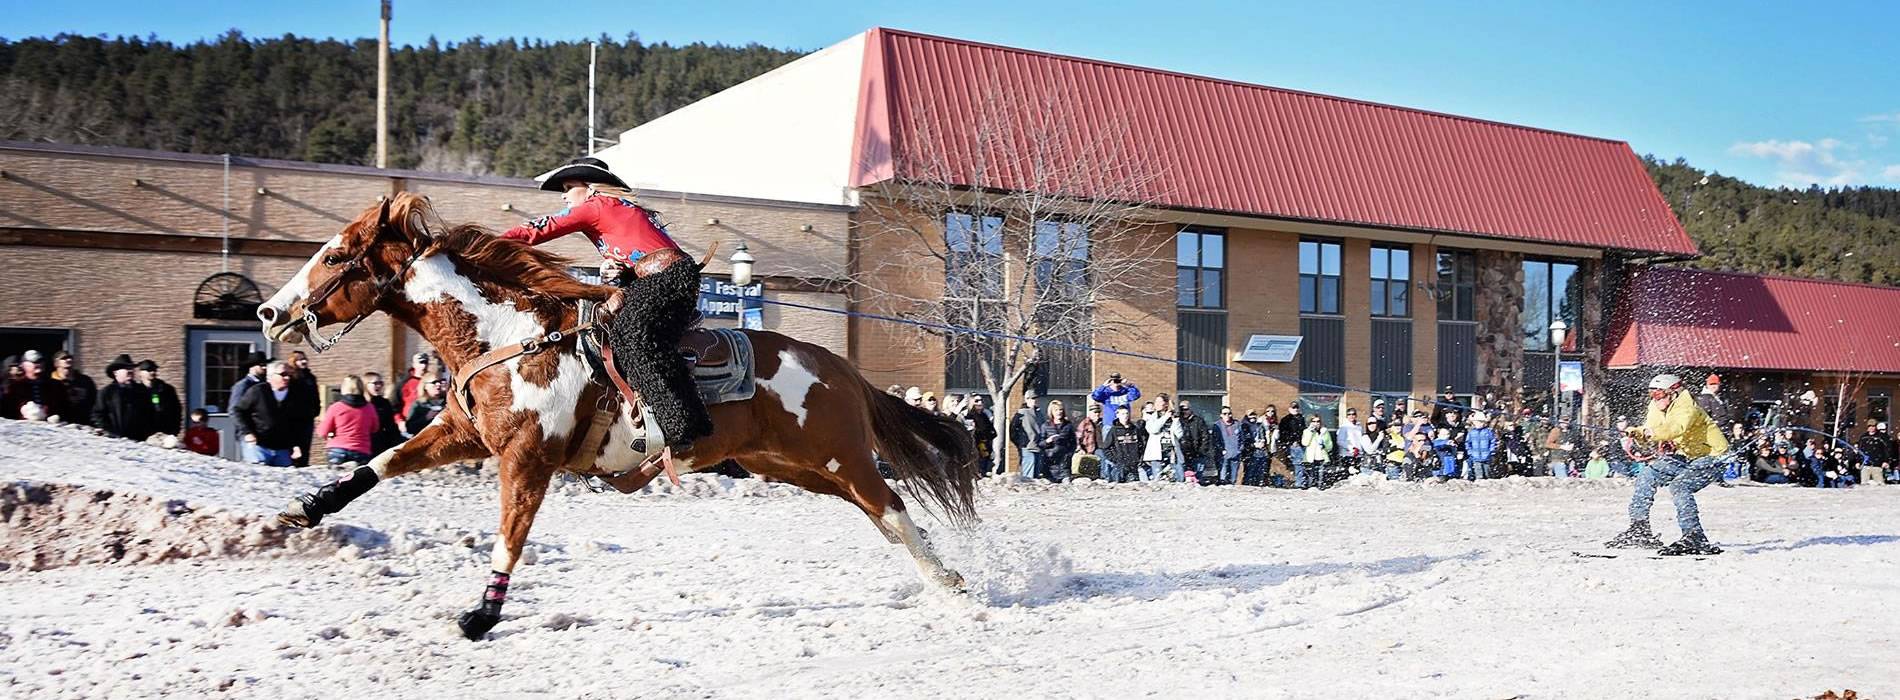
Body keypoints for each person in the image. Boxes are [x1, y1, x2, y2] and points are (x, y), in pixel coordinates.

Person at [501, 156, 712, 453]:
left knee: (632, 334)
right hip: (665, 277)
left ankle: (676, 423)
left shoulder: (596, 206)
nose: (563, 196)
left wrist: (493, 245)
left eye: (568, 187)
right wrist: (621, 271)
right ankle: (690, 418)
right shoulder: (612, 209)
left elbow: (537, 230)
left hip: (668, 277)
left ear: (588, 188)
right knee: (624, 333)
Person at [1605, 374, 1731, 555]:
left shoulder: (1687, 406)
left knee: (1680, 486)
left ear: (1673, 392)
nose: (1655, 399)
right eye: (1652, 395)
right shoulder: (1656, 407)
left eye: (1659, 394)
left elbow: (1675, 428)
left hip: (1713, 456)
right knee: (1647, 474)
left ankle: (1694, 536)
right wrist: (1638, 434)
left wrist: (1648, 432)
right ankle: (1639, 528)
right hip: (1686, 456)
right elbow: (1652, 432)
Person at [233, 361, 305, 467]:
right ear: (271, 376)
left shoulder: (294, 395)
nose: (287, 378)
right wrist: (247, 432)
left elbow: (297, 423)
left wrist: (296, 445)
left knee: (283, 479)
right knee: (260, 476)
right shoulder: (257, 391)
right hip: (258, 445)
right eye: (283, 374)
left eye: (289, 375)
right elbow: (238, 411)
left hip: (282, 448)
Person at [93, 355, 157, 441]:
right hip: (115, 443)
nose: (130, 370)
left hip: (139, 443)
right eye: (126, 368)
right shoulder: (106, 392)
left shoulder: (142, 391)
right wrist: (109, 432)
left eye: (131, 368)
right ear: (115, 373)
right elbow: (97, 416)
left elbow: (150, 415)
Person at [2, 349, 74, 422]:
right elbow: (7, 412)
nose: (37, 364)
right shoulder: (14, 387)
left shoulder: (56, 385)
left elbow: (66, 409)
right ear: (23, 365)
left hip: (53, 428)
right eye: (33, 361)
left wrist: (53, 415)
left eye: (40, 361)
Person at [285, 351, 320, 467]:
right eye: (300, 359)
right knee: (293, 444)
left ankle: (303, 464)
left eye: (304, 359)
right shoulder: (291, 377)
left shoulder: (310, 377)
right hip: (293, 418)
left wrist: (316, 409)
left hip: (307, 417)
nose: (304, 361)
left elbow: (315, 395)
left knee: (305, 444)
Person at [135, 360, 183, 437]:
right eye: (149, 370)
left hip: (166, 432)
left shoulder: (167, 389)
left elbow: (176, 410)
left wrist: (175, 430)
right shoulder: (136, 391)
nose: (152, 372)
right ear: (140, 373)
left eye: (154, 370)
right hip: (144, 435)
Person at [1142, 397, 1184, 482]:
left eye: (1159, 401)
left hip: (1172, 454)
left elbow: (1179, 434)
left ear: (1166, 404)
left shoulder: (1173, 417)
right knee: (1159, 480)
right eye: (1156, 401)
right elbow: (1153, 430)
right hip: (1157, 454)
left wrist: (1175, 420)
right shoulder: (1151, 417)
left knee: (1178, 480)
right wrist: (1165, 417)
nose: (1156, 404)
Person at [50, 350, 96, 425]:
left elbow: (94, 403)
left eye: (70, 358)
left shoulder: (85, 381)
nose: (69, 360)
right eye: (64, 358)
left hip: (84, 425)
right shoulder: (50, 383)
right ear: (56, 363)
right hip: (60, 426)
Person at [362, 372, 403, 456]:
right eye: (375, 383)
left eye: (381, 383)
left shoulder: (383, 403)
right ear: (366, 385)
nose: (379, 386)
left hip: (379, 443)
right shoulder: (360, 403)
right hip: (362, 443)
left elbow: (390, 425)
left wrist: (397, 443)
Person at [1102, 407, 1145, 484]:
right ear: (1117, 415)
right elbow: (1106, 448)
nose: (1125, 416)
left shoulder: (1135, 429)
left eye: (1126, 413)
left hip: (1133, 465)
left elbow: (1141, 445)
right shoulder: (1114, 430)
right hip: (1120, 466)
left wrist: (1139, 458)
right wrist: (1115, 460)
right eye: (1122, 414)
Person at [1009, 394, 1047, 480]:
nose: (1035, 400)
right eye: (1032, 398)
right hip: (1027, 447)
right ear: (1027, 399)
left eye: (1036, 398)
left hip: (1039, 446)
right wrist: (1022, 443)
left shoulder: (1039, 413)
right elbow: (1013, 430)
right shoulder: (1021, 413)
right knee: (1028, 476)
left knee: (1036, 476)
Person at [1040, 400, 1077, 483]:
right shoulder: (1046, 425)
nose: (1059, 412)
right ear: (1051, 412)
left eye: (1060, 410)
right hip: (1050, 463)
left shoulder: (1068, 425)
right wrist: (1047, 441)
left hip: (1064, 463)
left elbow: (1073, 443)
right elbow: (1040, 443)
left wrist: (1069, 454)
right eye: (1056, 410)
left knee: (1066, 487)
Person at [961, 395, 998, 475]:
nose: (980, 402)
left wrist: (987, 438)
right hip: (973, 447)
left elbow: (993, 432)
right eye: (977, 401)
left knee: (985, 469)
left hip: (985, 446)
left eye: (981, 400)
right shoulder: (967, 416)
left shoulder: (985, 415)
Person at [1176, 398, 1210, 482]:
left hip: (1197, 453)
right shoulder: (1178, 421)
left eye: (1186, 409)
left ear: (1190, 409)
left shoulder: (1198, 421)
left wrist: (1202, 450)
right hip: (1183, 454)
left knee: (1197, 478)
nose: (1184, 411)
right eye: (1182, 410)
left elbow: (1205, 436)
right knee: (1182, 478)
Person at [1213, 406, 1245, 485]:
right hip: (1223, 455)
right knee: (1223, 477)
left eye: (1229, 413)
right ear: (1221, 415)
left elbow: (1242, 438)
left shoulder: (1237, 424)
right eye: (1225, 413)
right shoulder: (1217, 425)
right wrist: (1221, 450)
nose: (1227, 415)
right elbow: (1215, 440)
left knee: (1233, 478)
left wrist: (1240, 449)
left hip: (1235, 454)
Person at [1298, 416, 1332, 489]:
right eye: (1313, 421)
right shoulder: (1306, 431)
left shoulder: (1324, 432)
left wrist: (1324, 445)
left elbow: (1330, 446)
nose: (1316, 423)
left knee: (1321, 481)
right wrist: (1310, 432)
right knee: (1311, 479)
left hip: (1321, 457)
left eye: (1318, 421)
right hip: (1310, 458)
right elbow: (1305, 443)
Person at [396, 352, 433, 417]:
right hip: (410, 420)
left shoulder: (433, 381)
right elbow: (396, 405)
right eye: (421, 362)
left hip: (429, 419)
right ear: (414, 364)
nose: (424, 366)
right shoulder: (404, 382)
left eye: (426, 362)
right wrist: (400, 421)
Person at [1463, 412, 1497, 480]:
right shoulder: (1471, 432)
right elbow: (1468, 443)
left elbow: (1493, 441)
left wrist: (1491, 451)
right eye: (1477, 422)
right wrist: (1470, 452)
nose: (1479, 424)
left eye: (1481, 422)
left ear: (1484, 423)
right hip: (1475, 455)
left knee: (1487, 471)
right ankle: (1479, 481)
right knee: (1478, 471)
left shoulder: (1488, 432)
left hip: (1486, 455)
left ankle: (1488, 481)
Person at [1074, 404, 1103, 479]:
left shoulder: (1102, 423)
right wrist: (1080, 449)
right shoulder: (1084, 424)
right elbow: (1077, 438)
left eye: (1098, 412)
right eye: (1094, 412)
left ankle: (1103, 477)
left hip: (1100, 448)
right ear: (1090, 413)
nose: (1097, 414)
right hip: (1088, 449)